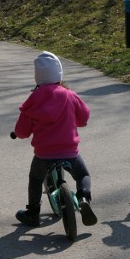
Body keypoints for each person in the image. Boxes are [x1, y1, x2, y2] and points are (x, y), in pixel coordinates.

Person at [13, 51, 97, 227]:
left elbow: (22, 130)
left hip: (44, 154)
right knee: (82, 174)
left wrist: (18, 134)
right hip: (69, 152)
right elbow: (84, 115)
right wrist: (79, 122)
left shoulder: (33, 100)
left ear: (38, 78)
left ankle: (33, 213)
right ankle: (83, 197)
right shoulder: (69, 95)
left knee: (35, 179)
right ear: (59, 75)